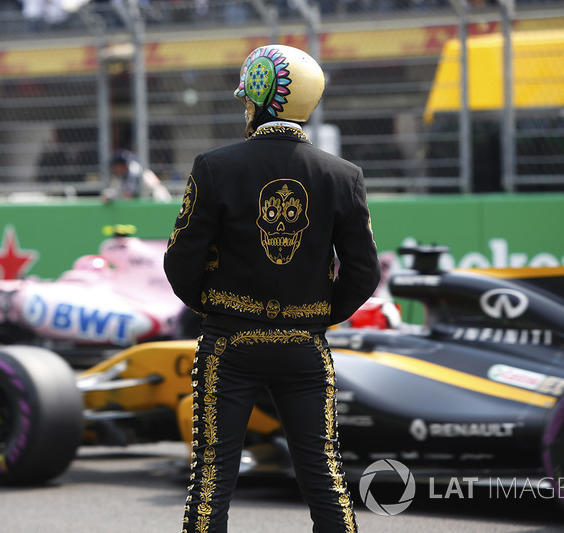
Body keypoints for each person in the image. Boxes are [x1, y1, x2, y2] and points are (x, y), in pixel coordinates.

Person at [164, 44, 381, 533]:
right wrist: (317, 314)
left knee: (211, 481)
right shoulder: (344, 176)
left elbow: (181, 261)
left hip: (230, 342)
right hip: (305, 346)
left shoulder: (214, 166)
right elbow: (363, 273)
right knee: (325, 477)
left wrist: (216, 306)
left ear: (260, 97)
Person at [102, 149, 172, 203]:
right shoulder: (120, 176)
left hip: (159, 202)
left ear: (121, 165)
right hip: (145, 203)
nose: (114, 169)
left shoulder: (135, 169)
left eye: (116, 166)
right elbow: (113, 192)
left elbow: (128, 196)